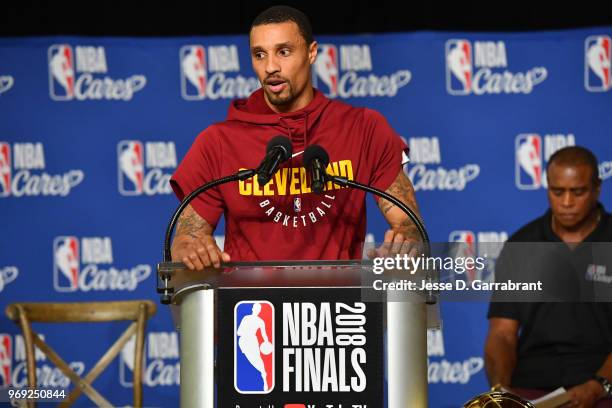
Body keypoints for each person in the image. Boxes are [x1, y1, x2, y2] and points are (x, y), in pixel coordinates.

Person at [170, 5, 422, 268]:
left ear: (311, 53)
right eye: (259, 54)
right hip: (252, 307)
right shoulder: (219, 142)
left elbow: (408, 224)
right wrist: (189, 248)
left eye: (284, 51)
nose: (270, 67)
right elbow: (187, 238)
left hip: (340, 305)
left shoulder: (364, 128)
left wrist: (405, 242)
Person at [485, 146, 612, 407]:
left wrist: (599, 386)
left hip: (602, 388)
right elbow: (502, 333)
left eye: (578, 192)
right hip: (532, 388)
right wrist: (502, 392)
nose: (566, 203)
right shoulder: (523, 244)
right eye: (557, 192)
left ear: (597, 188)